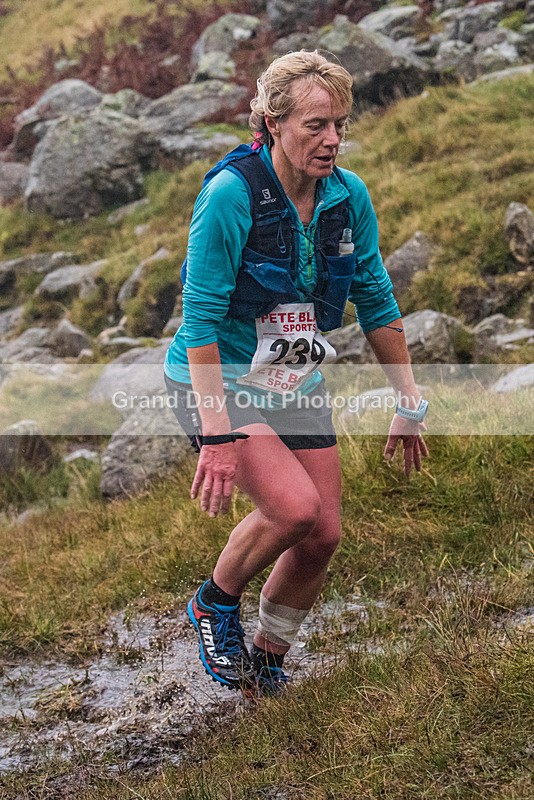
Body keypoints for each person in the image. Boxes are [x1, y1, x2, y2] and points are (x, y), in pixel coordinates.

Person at [164, 50, 428, 697]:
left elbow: (377, 301)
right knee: (292, 508)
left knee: (324, 532)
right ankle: (213, 603)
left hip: (291, 379)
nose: (333, 139)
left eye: (339, 123)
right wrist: (218, 435)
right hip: (217, 379)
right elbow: (198, 323)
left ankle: (265, 662)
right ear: (272, 123)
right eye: (316, 125)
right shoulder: (231, 194)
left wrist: (409, 403)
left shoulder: (347, 196)